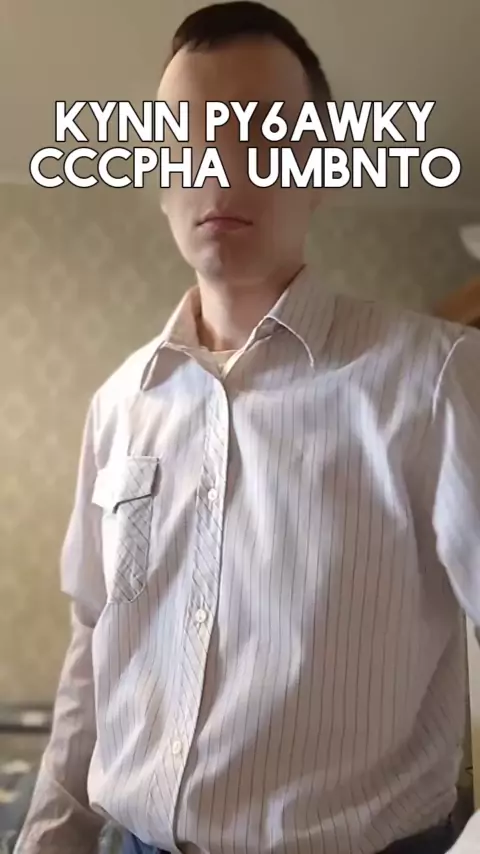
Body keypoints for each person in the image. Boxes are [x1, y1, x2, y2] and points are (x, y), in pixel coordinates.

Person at [15, 2, 480, 853]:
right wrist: (48, 838)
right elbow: (95, 644)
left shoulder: (438, 380)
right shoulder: (118, 407)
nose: (220, 164)